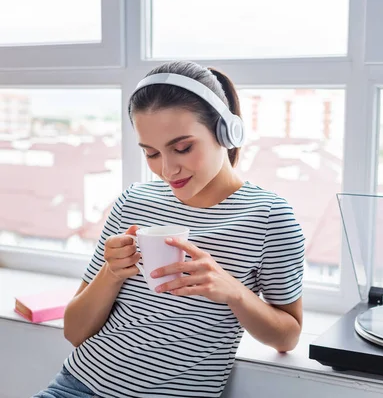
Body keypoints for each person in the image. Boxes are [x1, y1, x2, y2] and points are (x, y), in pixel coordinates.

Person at [34, 61, 305, 398]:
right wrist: (112, 273)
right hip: (78, 387)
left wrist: (233, 291)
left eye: (182, 148)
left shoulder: (269, 217)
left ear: (226, 132)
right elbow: (74, 332)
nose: (167, 168)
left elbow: (287, 336)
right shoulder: (133, 202)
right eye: (150, 153)